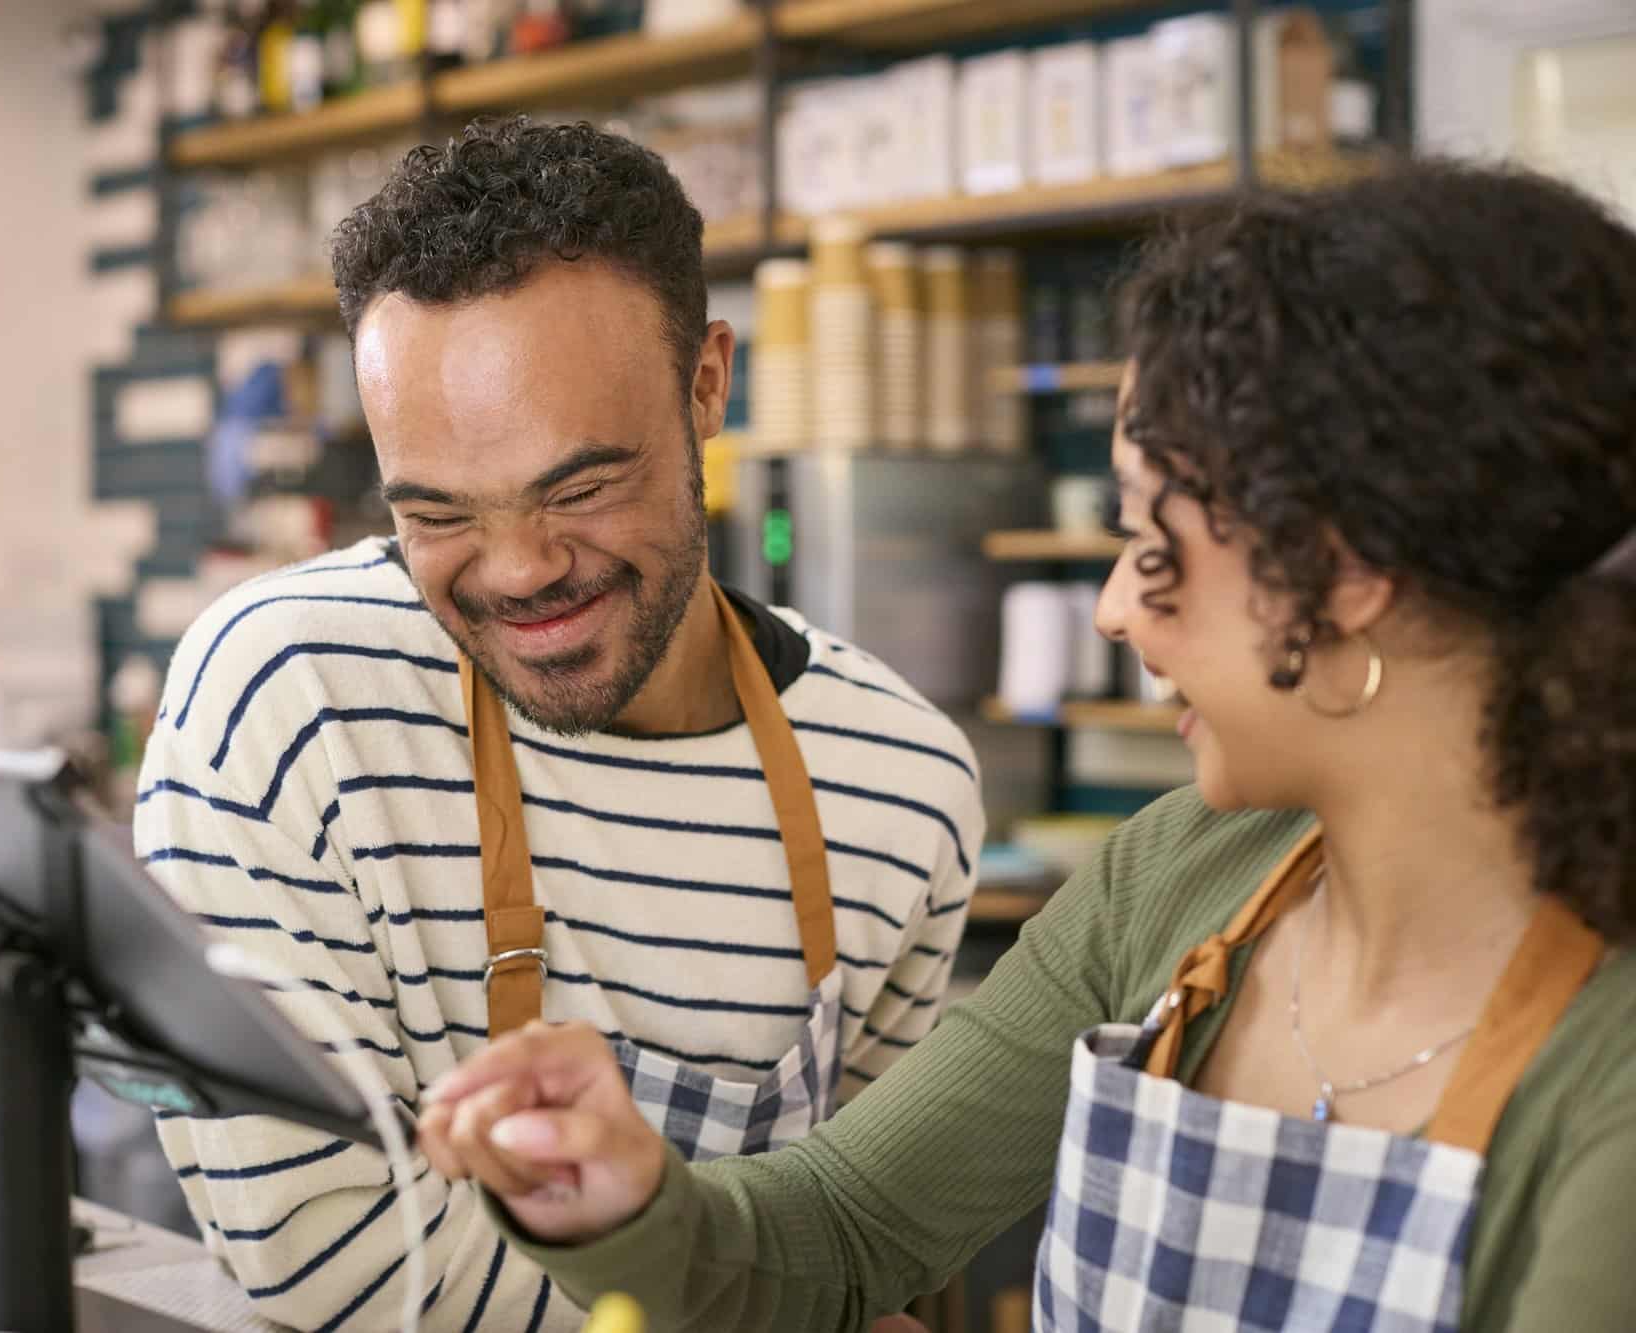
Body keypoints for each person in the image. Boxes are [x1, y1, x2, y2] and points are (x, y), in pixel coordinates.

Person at [417, 158, 1636, 1332]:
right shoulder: (1174, 877)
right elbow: (839, 1230)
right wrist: (625, 1199)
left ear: (1350, 565)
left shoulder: (1608, 1064)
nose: (1112, 607)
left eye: (1150, 538)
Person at [134, 118, 984, 1331]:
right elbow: (322, 1252)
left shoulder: (901, 780)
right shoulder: (285, 699)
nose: (521, 571)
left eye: (579, 488)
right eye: (436, 514)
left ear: (706, 385)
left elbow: (864, 1231)